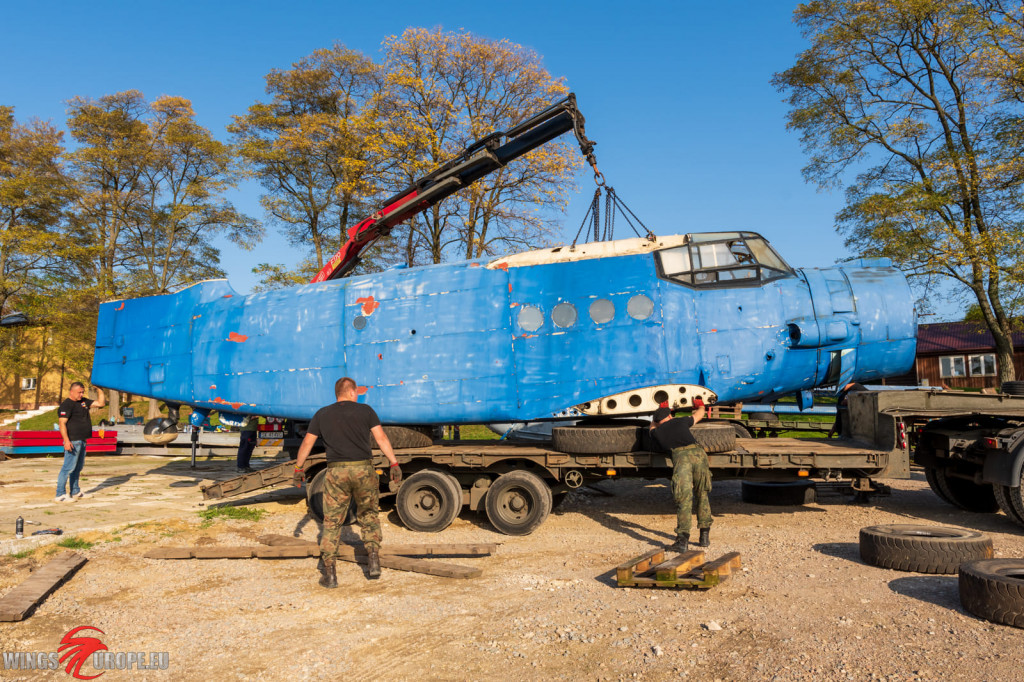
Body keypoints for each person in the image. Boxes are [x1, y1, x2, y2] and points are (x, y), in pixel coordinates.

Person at [293, 377, 402, 586]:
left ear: (337, 394)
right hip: (364, 470)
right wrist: (394, 463)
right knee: (369, 514)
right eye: (357, 392)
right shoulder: (366, 411)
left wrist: (299, 467)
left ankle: (330, 573)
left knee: (332, 521)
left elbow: (308, 441)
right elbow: (381, 439)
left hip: (336, 472)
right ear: (352, 392)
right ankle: (373, 562)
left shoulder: (322, 414)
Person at [649, 397, 711, 551]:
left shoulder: (656, 432)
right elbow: (699, 414)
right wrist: (700, 406)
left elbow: (651, 427)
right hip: (698, 454)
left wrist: (656, 418)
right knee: (702, 493)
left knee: (684, 497)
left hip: (680, 458)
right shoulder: (680, 421)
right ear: (670, 416)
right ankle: (704, 537)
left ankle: (682, 541)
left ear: (658, 421)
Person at [56, 382, 106, 502]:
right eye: (79, 392)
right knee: (68, 468)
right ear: (71, 392)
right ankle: (60, 494)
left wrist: (100, 389)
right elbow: (62, 423)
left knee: (78, 468)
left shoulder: (83, 402)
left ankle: (75, 491)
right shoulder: (66, 405)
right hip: (73, 441)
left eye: (83, 392)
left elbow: (101, 403)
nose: (81, 394)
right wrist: (66, 441)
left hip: (83, 440)